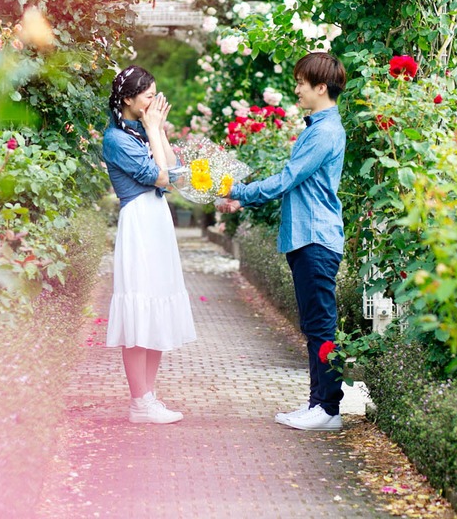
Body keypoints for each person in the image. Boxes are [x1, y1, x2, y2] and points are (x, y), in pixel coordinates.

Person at [217, 52, 347, 432]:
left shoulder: (324, 132)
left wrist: (239, 191)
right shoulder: (318, 128)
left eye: (301, 84)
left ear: (321, 87)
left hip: (316, 238)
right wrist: (242, 196)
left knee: (322, 326)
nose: (296, 90)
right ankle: (317, 406)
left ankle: (328, 409)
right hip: (306, 237)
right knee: (313, 326)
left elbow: (288, 177)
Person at [102, 65, 197, 424]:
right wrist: (155, 132)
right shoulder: (116, 139)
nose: (155, 101)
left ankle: (149, 398)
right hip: (139, 221)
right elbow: (161, 178)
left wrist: (156, 132)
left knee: (157, 306)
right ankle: (138, 401)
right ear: (128, 99)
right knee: (139, 307)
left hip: (157, 220)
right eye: (148, 94)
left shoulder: (144, 131)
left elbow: (174, 170)